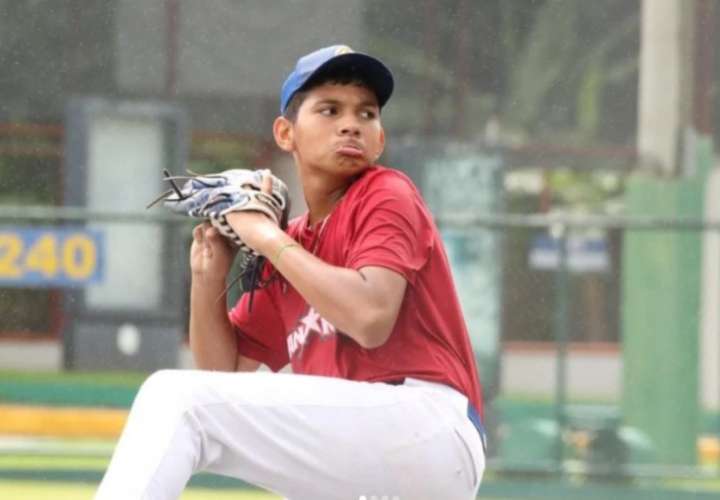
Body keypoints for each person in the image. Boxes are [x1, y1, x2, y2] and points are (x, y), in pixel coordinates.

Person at [96, 44, 485, 500]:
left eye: (367, 114)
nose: (350, 124)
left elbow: (370, 318)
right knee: (191, 404)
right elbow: (224, 374)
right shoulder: (294, 249)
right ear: (286, 133)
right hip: (360, 453)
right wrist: (208, 278)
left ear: (379, 140)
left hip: (426, 426)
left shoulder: (386, 193)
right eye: (329, 109)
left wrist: (265, 239)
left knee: (172, 398)